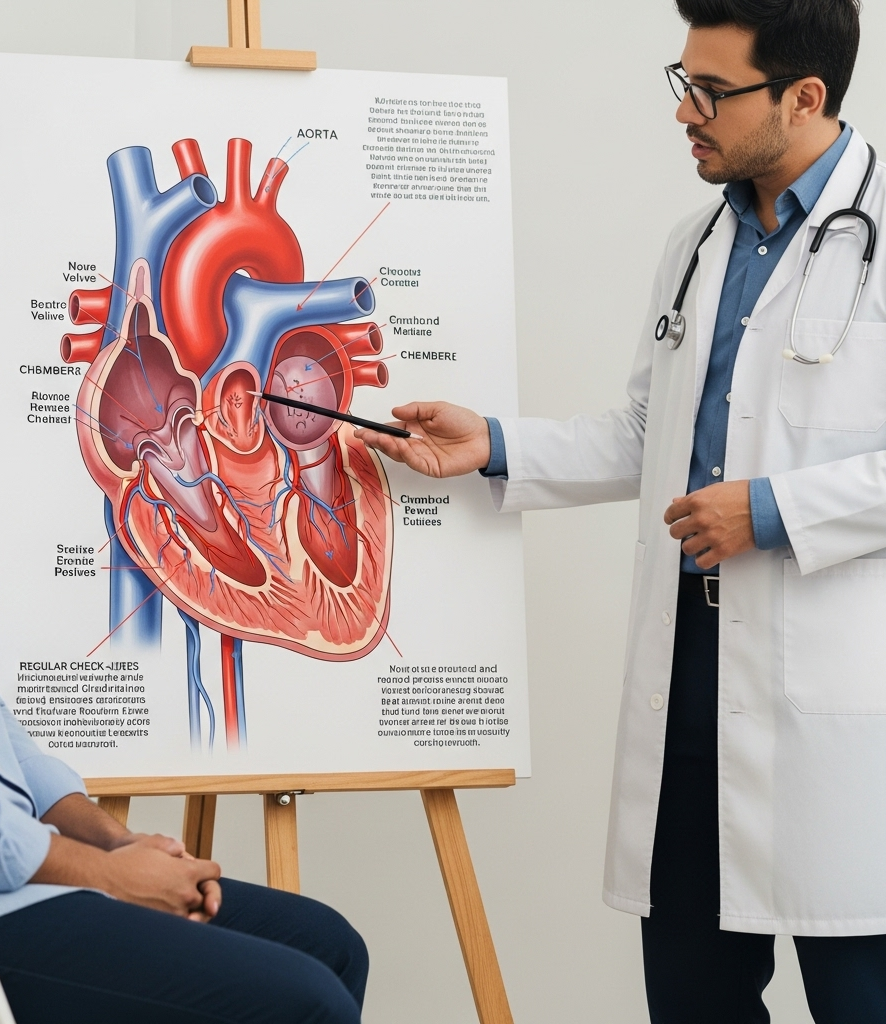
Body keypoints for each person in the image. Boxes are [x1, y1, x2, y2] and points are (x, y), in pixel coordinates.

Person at [357, 1, 886, 1021]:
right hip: (689, 689)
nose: (685, 111)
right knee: (692, 997)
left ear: (804, 96)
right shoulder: (697, 243)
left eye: (713, 91)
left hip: (838, 709)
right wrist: (494, 444)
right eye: (681, 81)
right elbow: (651, 436)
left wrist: (772, 510)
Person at [0, 102, 366, 1024]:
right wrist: (96, 873)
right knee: (301, 1003)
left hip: (12, 871)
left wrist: (105, 829)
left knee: (328, 943)